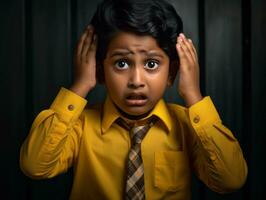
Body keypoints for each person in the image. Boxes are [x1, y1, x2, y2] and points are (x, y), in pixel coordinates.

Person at [20, 0, 248, 199]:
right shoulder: (79, 125)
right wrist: (80, 85)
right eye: (122, 63)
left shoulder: (187, 126)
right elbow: (35, 166)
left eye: (151, 64)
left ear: (171, 73)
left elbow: (231, 179)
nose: (136, 80)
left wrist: (194, 97)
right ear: (100, 71)